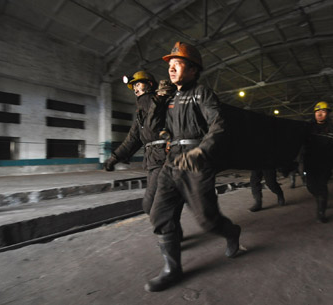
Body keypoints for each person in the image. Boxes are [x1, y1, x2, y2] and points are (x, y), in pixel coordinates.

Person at [145, 42, 241, 292]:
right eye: (170, 66)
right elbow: (155, 126)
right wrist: (159, 99)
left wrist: (202, 150)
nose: (172, 70)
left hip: (196, 161)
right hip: (172, 161)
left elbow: (218, 124)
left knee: (207, 220)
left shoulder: (202, 93)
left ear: (193, 70)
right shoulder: (172, 98)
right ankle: (172, 269)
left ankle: (231, 232)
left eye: (178, 65)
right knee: (160, 214)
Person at [103, 71, 176, 216]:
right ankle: (172, 233)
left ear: (149, 85)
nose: (135, 89)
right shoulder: (141, 114)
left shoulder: (162, 102)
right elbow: (132, 139)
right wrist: (114, 158)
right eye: (133, 86)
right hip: (152, 160)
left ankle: (169, 236)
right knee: (161, 201)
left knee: (151, 204)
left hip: (165, 157)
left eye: (138, 84)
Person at [303, 101, 333, 223]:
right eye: (317, 111)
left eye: (323, 111)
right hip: (310, 163)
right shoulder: (307, 128)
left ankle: (321, 212)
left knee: (321, 185)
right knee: (310, 186)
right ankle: (320, 199)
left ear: (327, 114)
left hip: (325, 163)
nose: (320, 113)